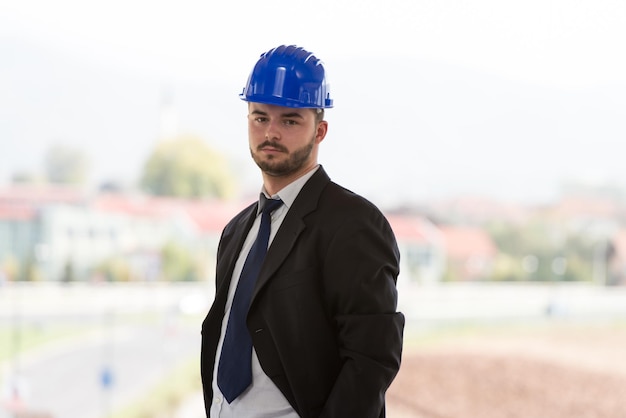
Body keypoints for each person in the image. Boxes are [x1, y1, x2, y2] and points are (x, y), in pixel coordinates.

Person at [200, 44, 404, 418]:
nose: (271, 132)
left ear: (320, 130)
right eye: (260, 117)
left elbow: (372, 360)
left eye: (290, 120)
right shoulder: (236, 233)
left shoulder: (354, 225)